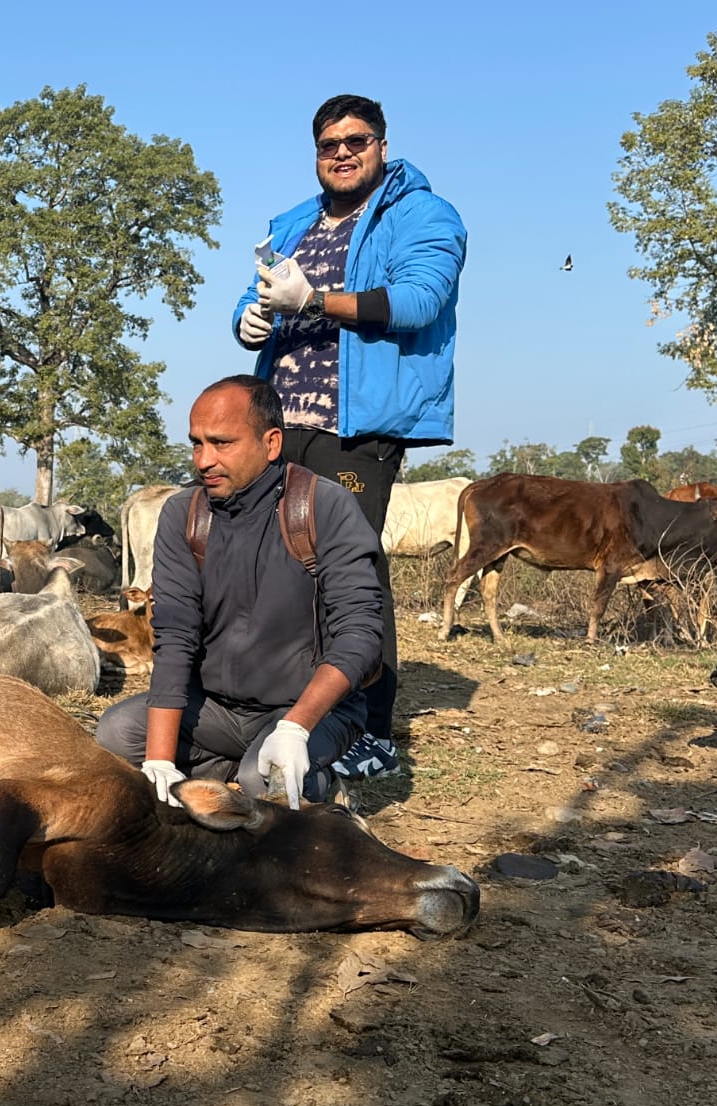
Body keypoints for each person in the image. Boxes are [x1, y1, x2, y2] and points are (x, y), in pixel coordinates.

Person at [232, 94, 466, 780]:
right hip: (279, 422)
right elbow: (259, 298)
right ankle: (289, 713)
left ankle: (372, 730)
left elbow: (421, 299)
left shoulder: (423, 215)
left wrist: (315, 302)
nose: (342, 152)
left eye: (356, 140)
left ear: (382, 146)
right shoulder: (294, 222)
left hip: (353, 426)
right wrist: (252, 319)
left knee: (349, 572)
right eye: (329, 143)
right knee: (271, 569)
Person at [95, 375, 383, 809]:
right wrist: (157, 760)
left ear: (271, 443)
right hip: (218, 709)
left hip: (303, 709)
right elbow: (175, 636)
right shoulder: (184, 515)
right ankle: (230, 764)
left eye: (222, 443)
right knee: (116, 733)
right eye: (196, 443)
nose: (203, 460)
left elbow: (360, 634)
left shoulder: (323, 506)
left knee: (263, 778)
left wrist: (295, 728)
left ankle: (317, 783)